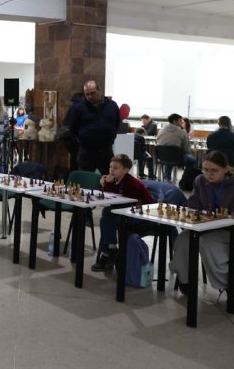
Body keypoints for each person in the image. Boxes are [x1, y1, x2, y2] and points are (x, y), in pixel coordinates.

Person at [170, 151, 234, 294]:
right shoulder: (200, 181)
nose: (209, 174)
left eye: (214, 170)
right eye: (205, 170)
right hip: (204, 226)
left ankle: (227, 284)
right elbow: (193, 206)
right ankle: (185, 280)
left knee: (207, 242)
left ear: (226, 169)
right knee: (184, 239)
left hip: (227, 230)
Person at [91, 154, 155, 271]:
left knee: (107, 217)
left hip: (143, 216)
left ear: (126, 170)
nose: (111, 170)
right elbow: (111, 198)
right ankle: (110, 250)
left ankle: (107, 254)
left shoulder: (132, 183)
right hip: (125, 212)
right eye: (110, 167)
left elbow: (123, 200)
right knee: (106, 217)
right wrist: (104, 184)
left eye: (115, 168)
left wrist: (107, 184)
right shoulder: (116, 180)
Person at [68, 80, 120, 173]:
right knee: (85, 178)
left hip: (106, 150)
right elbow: (72, 127)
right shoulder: (79, 107)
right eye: (87, 94)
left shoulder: (112, 105)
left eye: (93, 93)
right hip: (87, 151)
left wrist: (111, 136)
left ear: (100, 91)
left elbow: (116, 124)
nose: (90, 96)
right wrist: (82, 140)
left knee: (110, 178)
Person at [156, 113, 195, 181]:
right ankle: (186, 179)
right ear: (174, 121)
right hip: (178, 158)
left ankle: (167, 178)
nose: (182, 122)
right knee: (192, 160)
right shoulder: (182, 132)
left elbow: (158, 142)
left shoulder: (161, 130)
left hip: (162, 158)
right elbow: (186, 148)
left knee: (169, 157)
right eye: (180, 121)